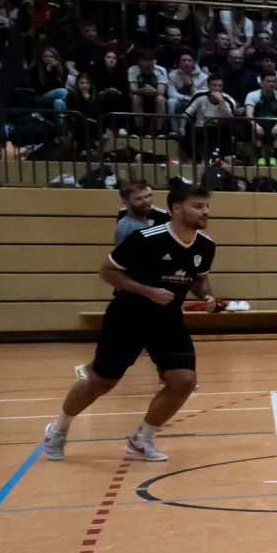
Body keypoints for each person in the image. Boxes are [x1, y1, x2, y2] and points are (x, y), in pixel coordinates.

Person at [41, 179, 220, 464]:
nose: (205, 211)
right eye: (197, 206)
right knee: (101, 382)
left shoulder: (205, 246)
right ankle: (58, 429)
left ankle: (142, 439)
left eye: (207, 206)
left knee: (184, 382)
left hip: (167, 320)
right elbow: (107, 272)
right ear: (176, 208)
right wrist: (149, 291)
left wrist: (207, 296)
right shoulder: (145, 239)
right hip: (128, 316)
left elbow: (198, 279)